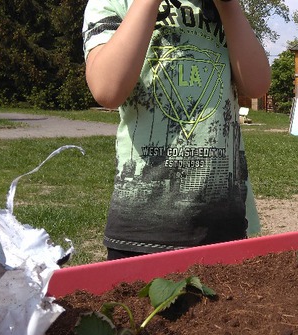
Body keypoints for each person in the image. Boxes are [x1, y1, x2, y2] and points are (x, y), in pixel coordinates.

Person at [82, 0, 271, 260]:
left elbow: (257, 84)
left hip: (223, 221)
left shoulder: (223, 8)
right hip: (142, 227)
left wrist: (230, 8)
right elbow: (106, 89)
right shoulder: (115, 2)